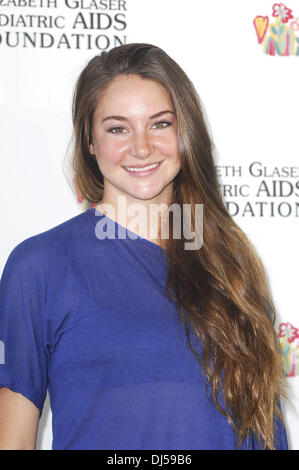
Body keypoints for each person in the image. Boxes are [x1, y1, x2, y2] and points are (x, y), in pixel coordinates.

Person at [0, 43, 288, 450]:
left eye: (160, 124)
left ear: (185, 132)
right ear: (90, 142)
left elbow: (266, 429)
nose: (141, 147)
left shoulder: (232, 261)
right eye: (118, 128)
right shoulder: (39, 266)